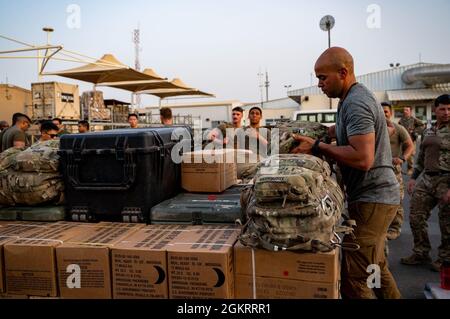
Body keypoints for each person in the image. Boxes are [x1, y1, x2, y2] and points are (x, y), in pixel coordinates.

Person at [292, 47, 401, 299]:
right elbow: (364, 132)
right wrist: (331, 132)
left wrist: (318, 146)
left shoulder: (356, 102)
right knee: (376, 266)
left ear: (343, 72)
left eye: (322, 77)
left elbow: (363, 158)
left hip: (373, 198)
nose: (318, 84)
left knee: (355, 277)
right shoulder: (349, 100)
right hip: (375, 197)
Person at [400, 94, 450, 272]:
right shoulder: (429, 130)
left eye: (449, 109)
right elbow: (421, 156)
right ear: (435, 109)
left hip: (447, 180)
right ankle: (421, 252)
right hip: (427, 179)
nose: (446, 112)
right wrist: (413, 178)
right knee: (415, 216)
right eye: (443, 108)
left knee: (446, 222)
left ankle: (445, 259)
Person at [382, 103, 414, 240]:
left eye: (386, 112)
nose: (383, 114)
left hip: (393, 169)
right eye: (380, 111)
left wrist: (402, 158)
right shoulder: (372, 129)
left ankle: (395, 228)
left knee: (396, 199)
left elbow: (410, 145)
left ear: (391, 113)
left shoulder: (399, 128)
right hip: (376, 170)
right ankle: (382, 226)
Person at [398, 106, 425, 175]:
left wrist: (415, 132)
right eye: (404, 110)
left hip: (411, 140)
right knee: (400, 155)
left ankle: (410, 169)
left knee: (410, 156)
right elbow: (398, 128)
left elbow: (422, 125)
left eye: (406, 110)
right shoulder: (401, 120)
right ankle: (399, 170)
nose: (405, 111)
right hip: (402, 141)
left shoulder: (414, 119)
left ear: (410, 111)